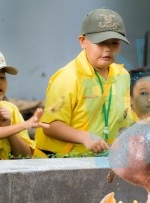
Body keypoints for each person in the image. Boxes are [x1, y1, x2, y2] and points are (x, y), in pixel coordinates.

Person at [34, 8, 134, 158]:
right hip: (57, 161)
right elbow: (49, 126)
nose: (108, 49)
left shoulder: (123, 76)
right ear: (83, 41)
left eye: (114, 43)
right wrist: (84, 137)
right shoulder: (68, 77)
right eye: (101, 43)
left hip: (100, 160)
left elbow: (124, 120)